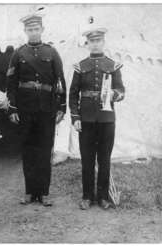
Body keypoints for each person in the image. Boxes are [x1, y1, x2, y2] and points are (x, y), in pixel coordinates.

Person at [6, 13, 67, 206]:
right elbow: (11, 83)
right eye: (29, 29)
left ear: (42, 30)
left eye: (36, 29)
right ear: (25, 31)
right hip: (25, 108)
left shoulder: (52, 52)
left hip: (46, 108)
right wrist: (13, 108)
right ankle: (30, 192)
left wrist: (62, 107)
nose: (33, 32)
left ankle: (44, 192)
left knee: (45, 149)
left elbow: (60, 81)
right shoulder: (18, 53)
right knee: (28, 149)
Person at [69, 27, 125, 210]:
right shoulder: (80, 66)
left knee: (104, 159)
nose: (95, 44)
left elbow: (121, 90)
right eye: (92, 41)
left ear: (103, 42)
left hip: (106, 119)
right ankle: (87, 196)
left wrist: (112, 94)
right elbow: (73, 94)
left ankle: (102, 197)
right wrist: (75, 117)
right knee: (87, 159)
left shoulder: (113, 65)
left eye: (98, 41)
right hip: (85, 119)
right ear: (88, 44)